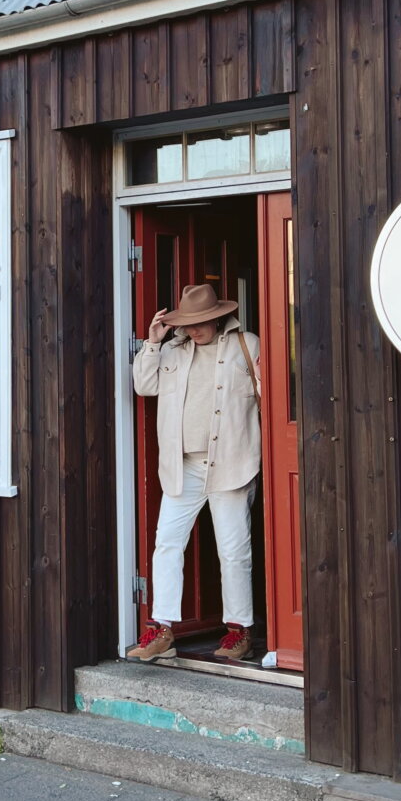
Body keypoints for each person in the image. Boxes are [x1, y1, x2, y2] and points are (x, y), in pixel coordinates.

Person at [128, 281, 261, 664]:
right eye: (188, 323)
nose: (194, 329)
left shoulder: (246, 345)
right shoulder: (171, 350)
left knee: (234, 551)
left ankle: (239, 631)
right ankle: (162, 628)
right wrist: (152, 342)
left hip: (232, 464)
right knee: (167, 543)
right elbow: (144, 385)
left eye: (201, 321)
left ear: (218, 318)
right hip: (182, 466)